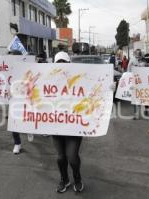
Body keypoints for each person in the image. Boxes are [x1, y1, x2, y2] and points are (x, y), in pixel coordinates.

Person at [52, 51, 84, 193]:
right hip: (56, 126)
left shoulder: (79, 79)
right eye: (59, 63)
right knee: (60, 158)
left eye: (64, 63)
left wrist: (108, 90)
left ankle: (77, 177)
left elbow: (93, 93)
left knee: (72, 157)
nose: (62, 66)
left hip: (73, 126)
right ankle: (64, 179)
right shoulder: (47, 80)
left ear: (69, 64)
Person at [7, 50, 34, 154]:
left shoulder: (27, 67)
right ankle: (17, 143)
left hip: (25, 98)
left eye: (12, 57)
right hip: (13, 99)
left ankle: (29, 130)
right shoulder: (7, 69)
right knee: (14, 122)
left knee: (27, 118)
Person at [128, 49, 147, 119]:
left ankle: (145, 108)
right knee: (134, 99)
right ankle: (136, 114)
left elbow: (146, 69)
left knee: (143, 97)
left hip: (142, 82)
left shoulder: (144, 60)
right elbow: (128, 69)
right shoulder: (132, 60)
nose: (138, 55)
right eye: (137, 53)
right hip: (134, 82)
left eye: (139, 53)